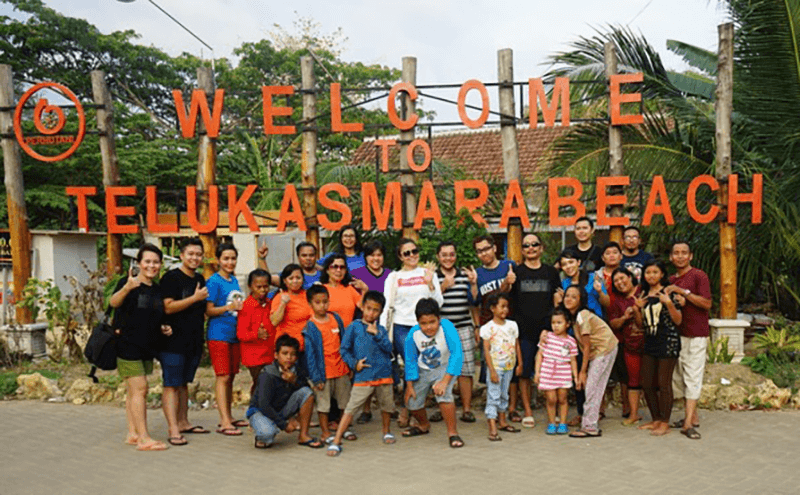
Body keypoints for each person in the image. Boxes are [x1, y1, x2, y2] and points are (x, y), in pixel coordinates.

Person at [109, 243, 171, 451]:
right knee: (141, 388)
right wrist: (127, 287)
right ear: (139, 263)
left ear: (160, 264)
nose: (152, 265)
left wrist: (162, 327)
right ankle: (144, 438)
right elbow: (113, 302)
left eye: (156, 262)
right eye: (147, 261)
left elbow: (150, 315)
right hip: (127, 345)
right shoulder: (128, 284)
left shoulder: (157, 289)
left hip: (146, 346)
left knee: (133, 390)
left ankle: (133, 433)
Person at [380, 238, 443, 428]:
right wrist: (383, 331)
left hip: (424, 327)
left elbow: (438, 303)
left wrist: (430, 284)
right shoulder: (393, 277)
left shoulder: (427, 273)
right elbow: (387, 305)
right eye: (406, 253)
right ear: (400, 256)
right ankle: (410, 408)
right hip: (401, 326)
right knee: (410, 366)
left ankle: (412, 408)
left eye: (414, 251)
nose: (412, 256)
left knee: (422, 367)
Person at [327, 291, 395, 456]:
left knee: (386, 406)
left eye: (375, 310)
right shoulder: (354, 327)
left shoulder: (381, 329)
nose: (371, 313)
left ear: (380, 312)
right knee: (351, 407)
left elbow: (389, 348)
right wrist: (354, 364)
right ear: (362, 307)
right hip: (364, 375)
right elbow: (344, 349)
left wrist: (377, 335)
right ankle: (337, 440)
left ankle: (386, 431)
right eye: (368, 308)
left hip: (384, 374)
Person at [546, 285, 618, 438]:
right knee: (594, 387)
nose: (569, 299)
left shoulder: (582, 316)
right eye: (567, 296)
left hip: (604, 349)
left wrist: (582, 371)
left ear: (580, 301)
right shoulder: (572, 317)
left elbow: (586, 346)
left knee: (592, 386)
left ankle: (589, 426)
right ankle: (590, 423)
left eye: (574, 297)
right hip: (600, 351)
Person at [160, 238, 210, 444]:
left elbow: (203, 311)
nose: (195, 258)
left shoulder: (200, 278)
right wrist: (194, 298)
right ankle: (173, 429)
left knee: (183, 383)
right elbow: (168, 307)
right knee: (171, 384)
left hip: (193, 340)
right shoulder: (171, 278)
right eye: (190, 254)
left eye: (198, 254)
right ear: (181, 255)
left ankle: (183, 422)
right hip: (172, 341)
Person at [510, 232, 560, 428]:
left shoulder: (551, 273)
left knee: (552, 372)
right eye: (526, 245)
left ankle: (553, 412)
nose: (530, 248)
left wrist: (551, 328)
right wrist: (508, 282)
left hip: (548, 331)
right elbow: (508, 300)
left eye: (534, 244)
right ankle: (528, 411)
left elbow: (557, 301)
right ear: (522, 250)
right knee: (524, 373)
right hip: (524, 331)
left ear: (541, 248)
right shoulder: (517, 273)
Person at [402, 298, 464, 448]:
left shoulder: (447, 327)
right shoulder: (413, 334)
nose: (428, 327)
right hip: (423, 369)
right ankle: (423, 425)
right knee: (412, 401)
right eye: (424, 323)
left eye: (432, 322)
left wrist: (445, 381)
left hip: (444, 367)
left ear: (439, 319)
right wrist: (409, 385)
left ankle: (452, 433)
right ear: (417, 322)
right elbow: (410, 360)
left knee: (443, 394)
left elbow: (456, 353)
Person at [666, 241, 711, 440]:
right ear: (671, 257)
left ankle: (687, 425)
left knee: (693, 376)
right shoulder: (671, 279)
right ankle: (692, 417)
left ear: (690, 256)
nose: (680, 256)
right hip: (679, 335)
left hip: (697, 335)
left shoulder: (698, 276)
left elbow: (707, 303)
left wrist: (684, 293)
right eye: (676, 253)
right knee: (681, 377)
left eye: (684, 253)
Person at [247, 334, 324, 449]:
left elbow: (307, 390)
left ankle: (303, 435)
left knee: (307, 393)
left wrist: (294, 381)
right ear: (276, 355)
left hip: (281, 410)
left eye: (293, 354)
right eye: (285, 353)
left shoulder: (296, 370)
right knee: (267, 434)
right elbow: (264, 405)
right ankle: (261, 433)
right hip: (260, 412)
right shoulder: (268, 374)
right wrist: (284, 425)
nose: (289, 357)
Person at [635, 259, 683, 437]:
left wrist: (668, 303)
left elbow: (678, 320)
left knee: (664, 384)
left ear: (662, 274)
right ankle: (655, 418)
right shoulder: (644, 294)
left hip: (668, 341)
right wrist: (638, 309)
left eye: (655, 272)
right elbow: (641, 324)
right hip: (650, 342)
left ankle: (665, 422)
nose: (651, 276)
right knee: (646, 383)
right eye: (648, 273)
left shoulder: (669, 292)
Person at [302, 284, 353, 443]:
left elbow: (344, 343)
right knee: (324, 406)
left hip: (341, 369)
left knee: (345, 402)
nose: (322, 305)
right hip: (324, 373)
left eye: (325, 302)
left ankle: (343, 428)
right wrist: (316, 378)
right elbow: (310, 356)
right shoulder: (310, 327)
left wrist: (349, 364)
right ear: (310, 304)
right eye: (318, 302)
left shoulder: (335, 318)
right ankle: (325, 432)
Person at [205, 242, 246, 436]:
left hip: (234, 335)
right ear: (218, 260)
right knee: (223, 377)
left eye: (233, 258)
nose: (230, 262)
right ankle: (223, 421)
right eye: (226, 258)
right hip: (218, 335)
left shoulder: (233, 281)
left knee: (231, 377)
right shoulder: (214, 281)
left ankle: (229, 416)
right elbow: (209, 310)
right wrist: (227, 309)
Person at [350, 240, 392, 424]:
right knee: (366, 365)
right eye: (372, 255)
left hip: (386, 325)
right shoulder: (357, 274)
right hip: (364, 326)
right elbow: (353, 301)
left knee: (385, 363)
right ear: (365, 257)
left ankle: (388, 409)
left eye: (379, 255)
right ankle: (366, 410)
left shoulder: (391, 275)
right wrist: (365, 291)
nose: (376, 258)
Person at [436, 241, 478, 423]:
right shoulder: (432, 277)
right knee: (442, 370)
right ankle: (443, 407)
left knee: (465, 370)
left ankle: (466, 409)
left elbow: (474, 301)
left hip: (463, 327)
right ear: (438, 257)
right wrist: (443, 286)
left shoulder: (464, 275)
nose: (448, 258)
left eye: (451, 254)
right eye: (444, 255)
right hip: (442, 329)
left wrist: (474, 284)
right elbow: (430, 303)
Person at [480, 293, 522, 441]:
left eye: (507, 306)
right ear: (493, 308)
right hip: (496, 366)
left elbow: (516, 345)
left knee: (504, 394)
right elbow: (486, 350)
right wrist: (491, 370)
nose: (505, 310)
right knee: (493, 395)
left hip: (509, 365)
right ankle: (492, 426)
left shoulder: (512, 325)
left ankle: (503, 422)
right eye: (502, 306)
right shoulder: (487, 328)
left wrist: (520, 363)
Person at [608, 266, 645, 426]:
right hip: (629, 344)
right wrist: (624, 317)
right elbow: (613, 324)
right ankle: (634, 414)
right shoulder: (617, 301)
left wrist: (638, 309)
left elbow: (643, 323)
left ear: (631, 277)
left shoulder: (644, 292)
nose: (620, 283)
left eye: (622, 278)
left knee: (653, 381)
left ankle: (660, 417)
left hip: (649, 343)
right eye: (616, 281)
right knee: (633, 380)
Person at [534, 307, 579, 435]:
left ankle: (563, 423)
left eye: (559, 323)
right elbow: (539, 355)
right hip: (548, 373)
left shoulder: (571, 341)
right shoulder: (547, 337)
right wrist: (537, 373)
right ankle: (552, 423)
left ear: (567, 324)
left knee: (563, 399)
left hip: (563, 373)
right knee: (551, 399)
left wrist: (575, 376)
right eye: (553, 323)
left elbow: (573, 360)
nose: (556, 326)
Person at [237, 269, 276, 395]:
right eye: (258, 287)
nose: (263, 290)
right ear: (250, 286)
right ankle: (255, 410)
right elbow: (241, 334)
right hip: (254, 356)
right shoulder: (246, 307)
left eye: (266, 286)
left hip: (269, 353)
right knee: (260, 383)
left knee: (269, 384)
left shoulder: (271, 303)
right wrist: (256, 334)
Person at [270, 264, 312, 352]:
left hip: (307, 346)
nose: (295, 281)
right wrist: (283, 303)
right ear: (285, 280)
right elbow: (274, 322)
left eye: (298, 278)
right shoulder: (280, 297)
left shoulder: (308, 295)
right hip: (287, 348)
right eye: (291, 278)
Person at [320, 253, 367, 327]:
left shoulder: (349, 288)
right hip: (328, 334)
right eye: (334, 267)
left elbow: (362, 307)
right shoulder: (321, 289)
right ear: (327, 270)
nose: (338, 270)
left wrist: (364, 290)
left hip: (348, 335)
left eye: (342, 267)